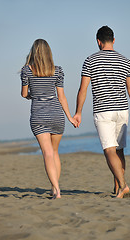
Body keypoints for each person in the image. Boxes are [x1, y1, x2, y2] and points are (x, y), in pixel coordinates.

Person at [74, 26, 130, 198]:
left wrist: (78, 112)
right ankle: (118, 186)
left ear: (98, 41)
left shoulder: (90, 61)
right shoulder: (125, 61)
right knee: (119, 150)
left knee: (109, 150)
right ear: (113, 40)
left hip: (103, 111)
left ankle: (123, 186)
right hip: (122, 111)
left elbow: (83, 90)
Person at [21, 39, 78, 199]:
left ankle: (57, 190)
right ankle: (54, 188)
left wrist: (34, 95)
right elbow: (62, 97)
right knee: (54, 152)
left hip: (39, 116)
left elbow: (24, 94)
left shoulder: (27, 70)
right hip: (57, 115)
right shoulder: (58, 71)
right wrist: (71, 117)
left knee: (47, 153)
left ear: (34, 53)